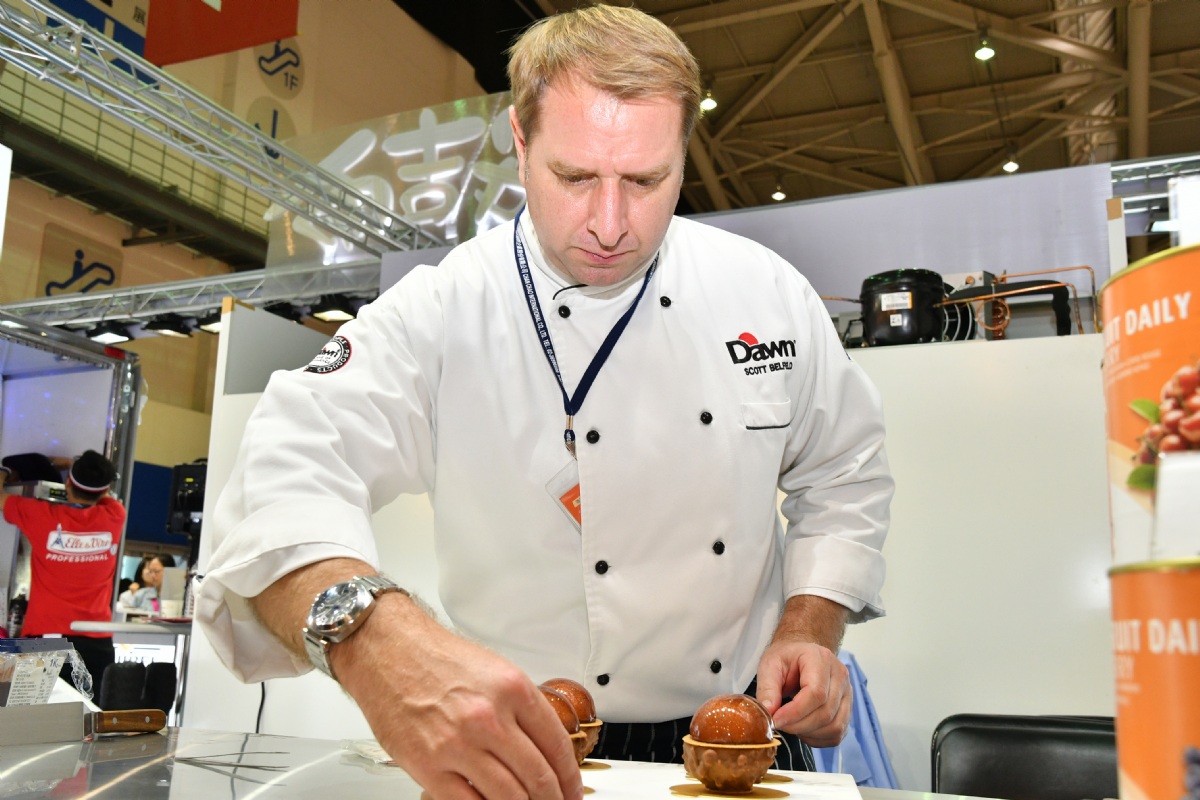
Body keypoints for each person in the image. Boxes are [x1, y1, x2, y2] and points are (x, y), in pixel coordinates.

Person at [197, 5, 892, 799]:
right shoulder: (446, 305)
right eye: (575, 178)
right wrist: (375, 638)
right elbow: (289, 460)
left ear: (683, 155)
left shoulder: (766, 292)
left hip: (735, 731)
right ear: (521, 146)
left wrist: (810, 624)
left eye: (646, 181)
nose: (610, 224)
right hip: (513, 739)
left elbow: (845, 473)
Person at [0, 450, 124, 695]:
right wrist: (74, 466)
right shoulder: (115, 515)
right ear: (105, 489)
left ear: (68, 482)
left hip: (45, 639)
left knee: (36, 715)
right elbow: (103, 493)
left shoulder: (40, 515)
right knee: (88, 715)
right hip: (97, 641)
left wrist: (4, 473)